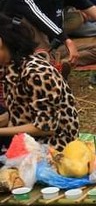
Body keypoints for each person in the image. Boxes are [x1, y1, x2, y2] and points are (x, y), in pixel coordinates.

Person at [0, 15, 79, 151]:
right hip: (26, 135)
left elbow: (45, 127)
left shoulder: (37, 73)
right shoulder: (9, 66)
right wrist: (6, 118)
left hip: (53, 144)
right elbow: (25, 108)